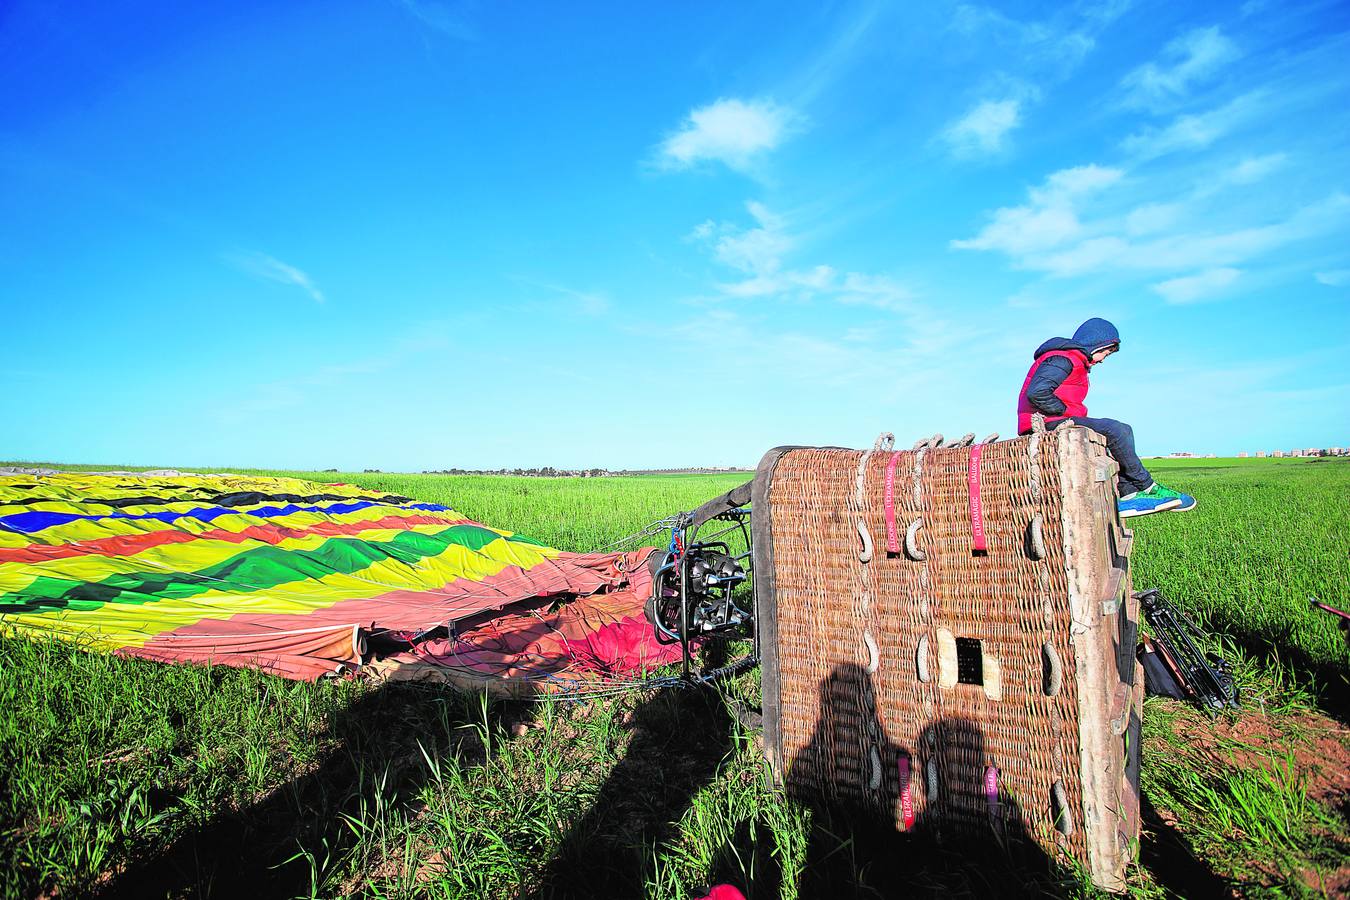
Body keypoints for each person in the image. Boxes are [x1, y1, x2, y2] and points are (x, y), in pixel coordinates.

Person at [1017, 317, 1196, 518]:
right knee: (1114, 429)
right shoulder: (1063, 359)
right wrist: (1063, 411)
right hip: (1044, 423)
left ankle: (1129, 493)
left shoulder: (1074, 361)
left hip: (1055, 419)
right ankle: (1146, 486)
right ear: (1094, 343)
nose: (1102, 359)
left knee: (1124, 428)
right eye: (1105, 352)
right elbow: (1037, 392)